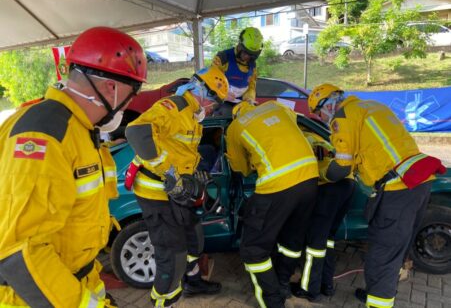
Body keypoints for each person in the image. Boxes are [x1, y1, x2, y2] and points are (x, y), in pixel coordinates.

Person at [0, 26, 147, 308]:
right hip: (31, 298)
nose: (129, 105)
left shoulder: (78, 130)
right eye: (132, 95)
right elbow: (19, 251)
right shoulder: (44, 135)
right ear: (112, 88)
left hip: (72, 282)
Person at [307, 83, 446, 308]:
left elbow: (342, 166)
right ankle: (377, 292)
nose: (321, 118)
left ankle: (378, 301)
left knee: (381, 257)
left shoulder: (341, 117)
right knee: (395, 250)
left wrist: (321, 173)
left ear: (329, 103)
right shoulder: (371, 106)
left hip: (398, 188)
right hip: (418, 182)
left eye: (318, 112)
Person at [125, 66, 229, 308]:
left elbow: (180, 151)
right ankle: (164, 302)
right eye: (215, 101)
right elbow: (137, 132)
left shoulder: (192, 115)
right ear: (202, 92)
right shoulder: (174, 107)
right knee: (171, 256)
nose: (214, 108)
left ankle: (192, 281)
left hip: (177, 191)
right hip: (156, 191)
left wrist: (192, 176)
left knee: (194, 239)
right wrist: (170, 173)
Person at [225, 100, 319, 308]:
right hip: (310, 178)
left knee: (253, 250)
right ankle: (283, 282)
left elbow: (240, 168)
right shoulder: (276, 107)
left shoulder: (235, 127)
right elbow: (292, 127)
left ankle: (273, 301)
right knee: (292, 240)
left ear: (235, 114)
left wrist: (252, 161)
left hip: (276, 186)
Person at [291, 130, 356, 301]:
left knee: (315, 243)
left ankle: (309, 289)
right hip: (347, 184)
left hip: (328, 186)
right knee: (327, 238)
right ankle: (326, 285)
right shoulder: (318, 136)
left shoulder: (299, 137)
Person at [212, 26, 263, 108]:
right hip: (221, 101)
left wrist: (249, 98)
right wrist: (222, 94)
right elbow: (210, 81)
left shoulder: (252, 65)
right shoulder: (223, 57)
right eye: (245, 53)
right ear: (239, 45)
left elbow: (251, 86)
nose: (247, 57)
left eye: (251, 55)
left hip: (240, 103)